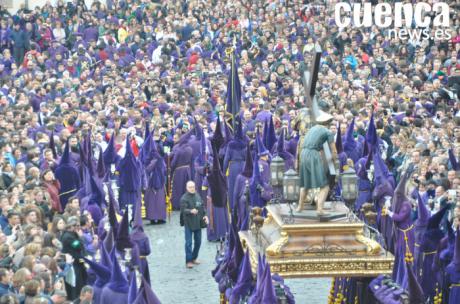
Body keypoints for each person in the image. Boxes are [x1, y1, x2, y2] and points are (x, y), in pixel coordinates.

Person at [297, 117, 336, 215]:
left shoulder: (312, 129)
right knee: (325, 186)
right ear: (328, 124)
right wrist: (333, 162)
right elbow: (334, 151)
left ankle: (300, 207)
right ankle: (319, 209)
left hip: (303, 154)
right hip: (313, 155)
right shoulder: (328, 132)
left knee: (305, 184)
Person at [180, 181, 208, 269]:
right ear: (186, 188)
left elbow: (202, 207)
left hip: (198, 222)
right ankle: (188, 261)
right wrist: (190, 211)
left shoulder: (198, 196)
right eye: (190, 187)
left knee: (198, 242)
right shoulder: (184, 198)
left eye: (193, 187)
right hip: (188, 223)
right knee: (188, 243)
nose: (192, 188)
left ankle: (194, 258)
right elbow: (183, 210)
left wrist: (205, 215)